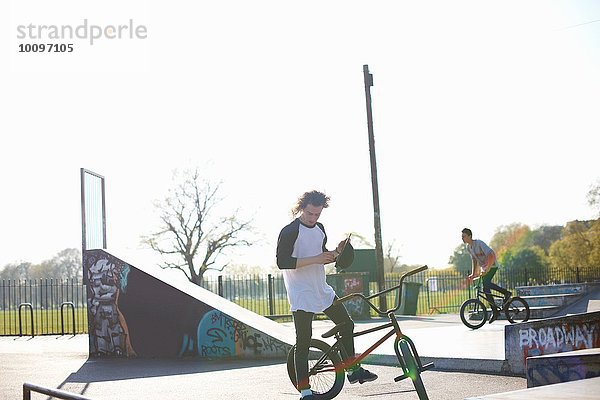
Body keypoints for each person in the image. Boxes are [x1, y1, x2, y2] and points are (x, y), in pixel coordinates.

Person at [276, 190, 377, 400]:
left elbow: (322, 257)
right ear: (302, 208)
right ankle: (305, 391)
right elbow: (282, 262)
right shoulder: (290, 231)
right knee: (303, 341)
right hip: (301, 293)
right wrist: (316, 258)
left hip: (321, 289)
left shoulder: (320, 229)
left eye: (317, 215)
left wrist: (337, 253)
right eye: (310, 214)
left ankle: (352, 370)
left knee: (347, 324)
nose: (313, 218)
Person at [462, 228, 512, 324]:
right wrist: (473, 274)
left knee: (486, 284)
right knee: (486, 289)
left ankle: (506, 294)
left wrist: (487, 268)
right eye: (462, 237)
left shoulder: (479, 243)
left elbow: (491, 255)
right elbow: (474, 260)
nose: (462, 238)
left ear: (469, 236)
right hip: (484, 267)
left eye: (464, 236)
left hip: (492, 265)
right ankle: (495, 310)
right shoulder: (469, 247)